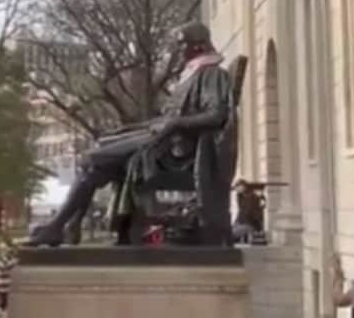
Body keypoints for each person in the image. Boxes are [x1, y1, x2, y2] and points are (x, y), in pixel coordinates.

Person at [27, 22, 236, 247]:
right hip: (162, 141)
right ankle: (67, 226)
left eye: (181, 44)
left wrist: (175, 123)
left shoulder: (213, 74)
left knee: (94, 159)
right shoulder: (192, 72)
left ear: (197, 46)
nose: (177, 50)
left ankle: (59, 226)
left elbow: (217, 115)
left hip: (177, 153)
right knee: (100, 148)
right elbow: (167, 118)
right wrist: (128, 130)